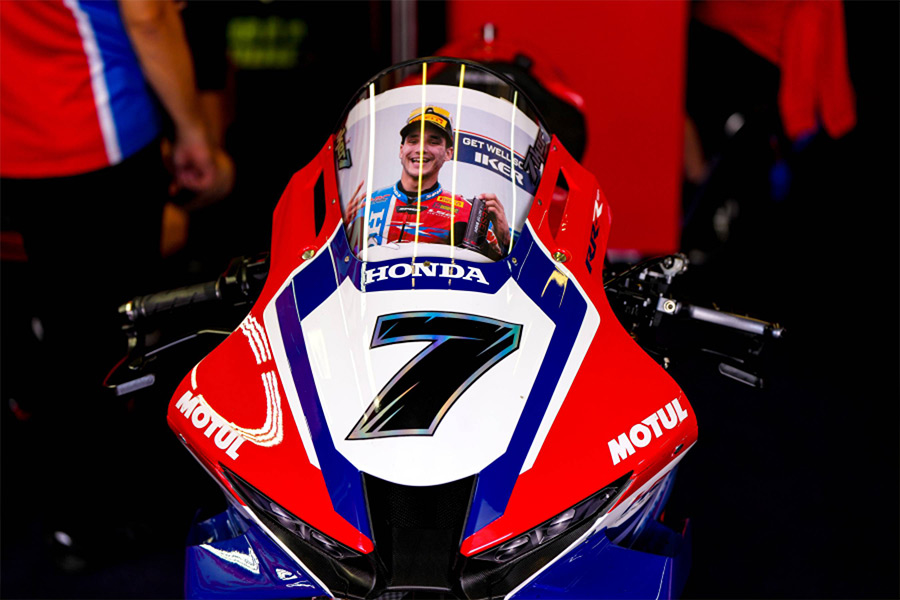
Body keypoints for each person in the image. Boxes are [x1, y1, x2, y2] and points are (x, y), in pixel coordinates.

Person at [0, 0, 231, 572]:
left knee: (64, 321)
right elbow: (148, 15)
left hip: (20, 132)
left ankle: (69, 510)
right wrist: (193, 131)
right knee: (104, 338)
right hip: (91, 132)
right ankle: (87, 520)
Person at [344, 105, 510, 258]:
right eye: (413, 141)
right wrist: (340, 231)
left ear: (448, 153)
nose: (421, 149)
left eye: (433, 142)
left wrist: (505, 240)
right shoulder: (366, 205)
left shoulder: (467, 213)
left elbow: (499, 269)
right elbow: (342, 266)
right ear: (401, 150)